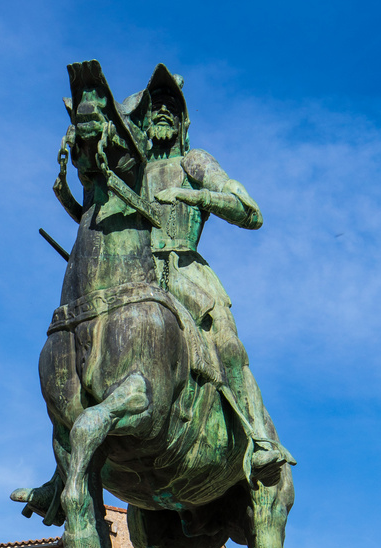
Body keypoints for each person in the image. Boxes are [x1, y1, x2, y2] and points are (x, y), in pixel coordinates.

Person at [121, 64, 294, 488]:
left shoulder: (193, 161)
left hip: (183, 269)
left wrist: (193, 194)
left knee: (228, 348)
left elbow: (250, 212)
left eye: (169, 108)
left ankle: (258, 440)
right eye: (153, 108)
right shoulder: (130, 169)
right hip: (134, 272)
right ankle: (61, 473)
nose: (161, 113)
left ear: (182, 120)